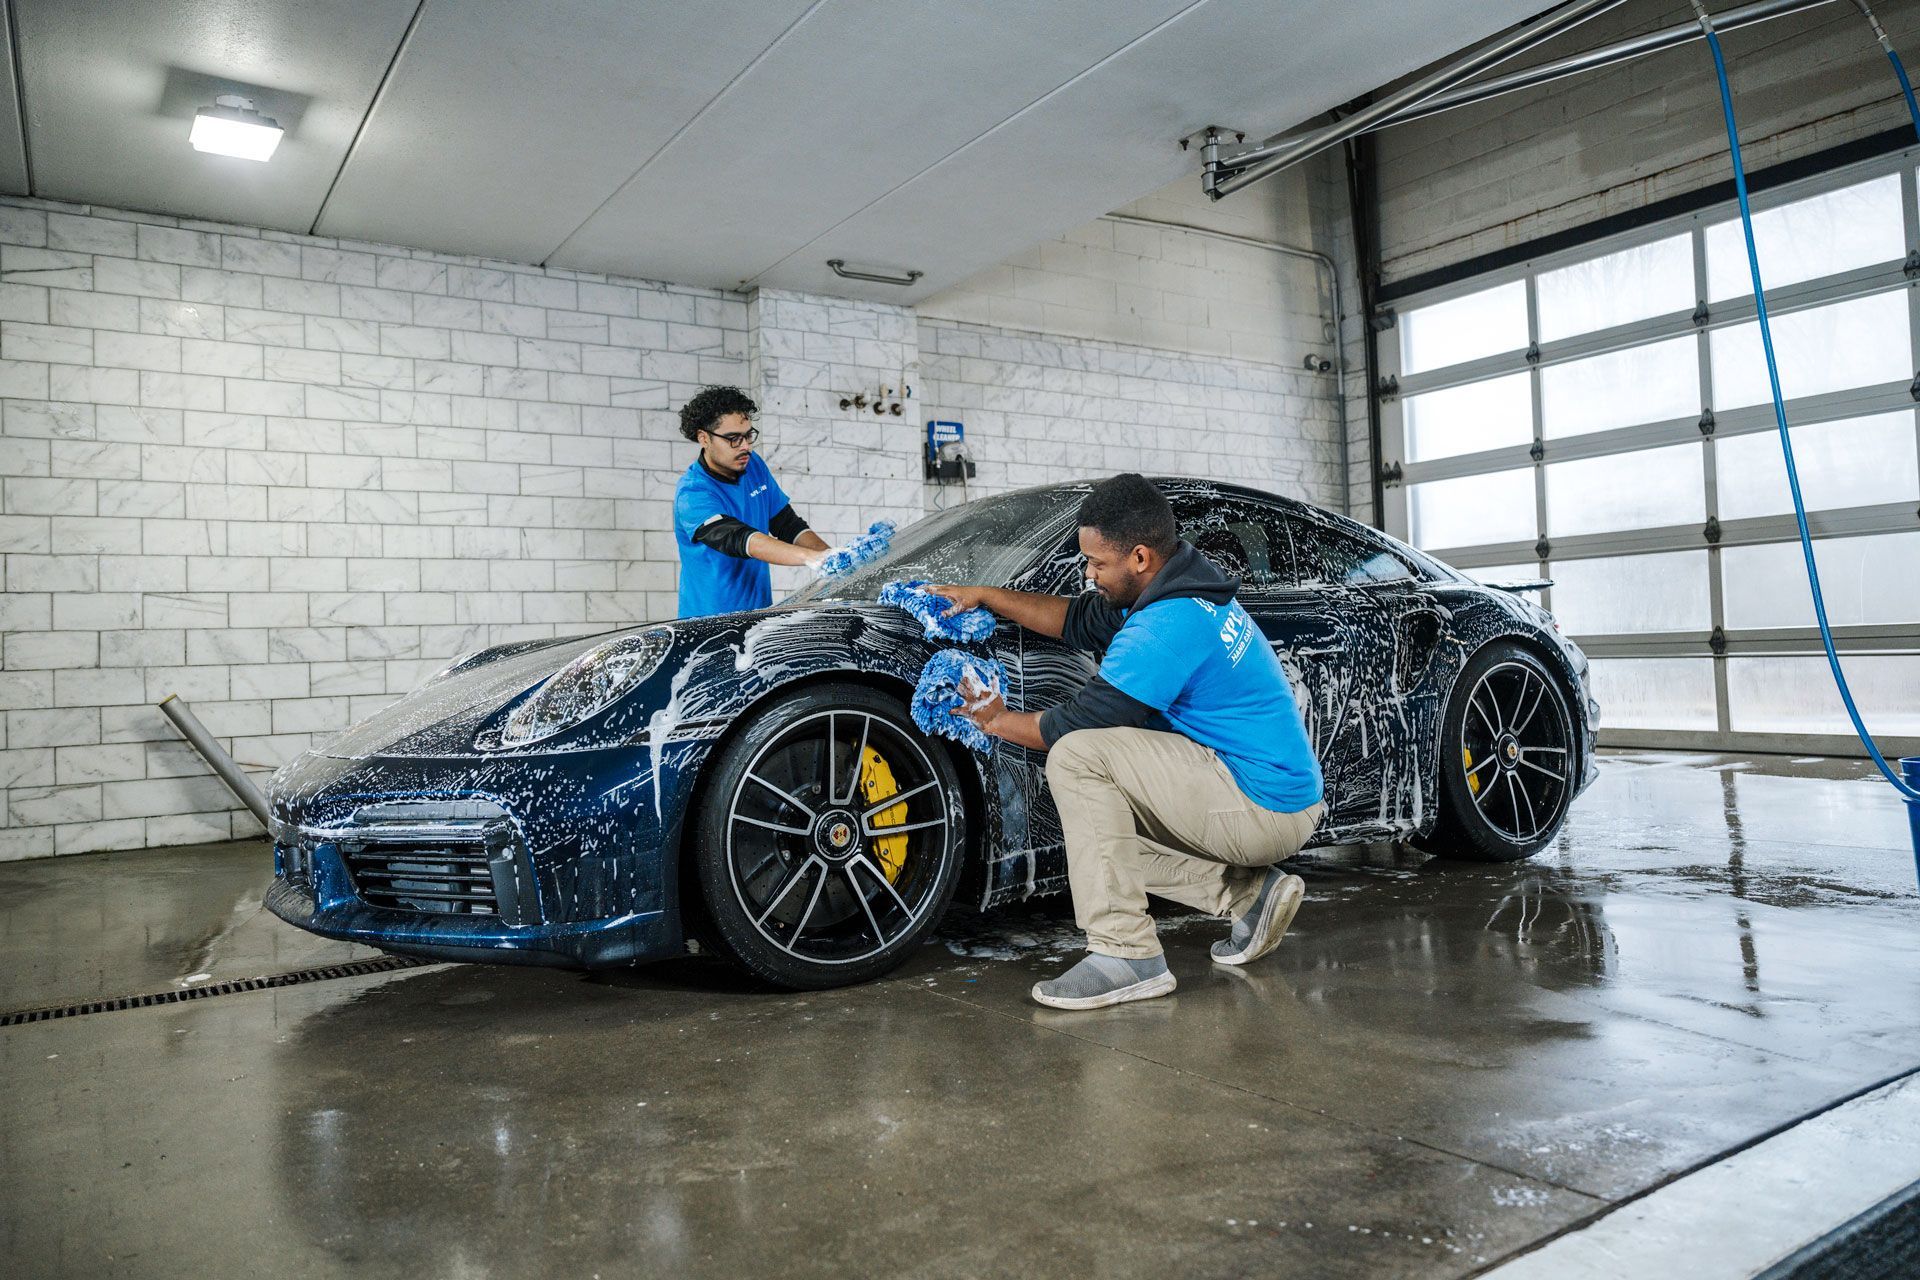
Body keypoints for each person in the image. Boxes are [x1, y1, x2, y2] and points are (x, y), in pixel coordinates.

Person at [931, 474, 1325, 1010]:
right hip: (1266, 794)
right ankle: (1250, 897)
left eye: (1097, 564)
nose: (1089, 574)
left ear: (1139, 557)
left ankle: (1126, 955)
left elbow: (1075, 723)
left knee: (1077, 758)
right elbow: (1074, 619)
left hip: (1259, 806)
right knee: (1099, 841)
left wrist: (995, 720)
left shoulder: (1167, 624)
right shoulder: (1177, 586)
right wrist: (986, 595)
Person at [673, 385, 831, 618]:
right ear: (704, 438)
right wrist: (810, 558)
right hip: (709, 624)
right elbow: (740, 539)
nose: (745, 446)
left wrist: (832, 557)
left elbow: (786, 523)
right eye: (733, 439)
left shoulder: (752, 464)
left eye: (748, 435)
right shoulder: (693, 492)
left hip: (757, 617)